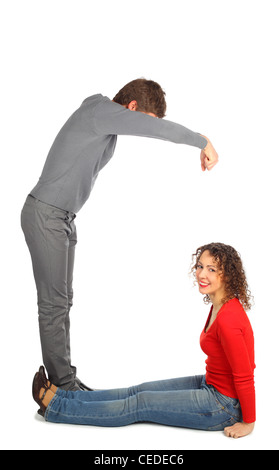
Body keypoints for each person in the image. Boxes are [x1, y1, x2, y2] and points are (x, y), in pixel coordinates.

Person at [21, 79, 219, 391]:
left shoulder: (104, 121)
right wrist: (202, 141)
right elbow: (159, 131)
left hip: (62, 217)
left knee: (63, 302)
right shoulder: (100, 111)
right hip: (46, 215)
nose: (145, 128)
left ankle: (65, 380)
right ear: (132, 108)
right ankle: (61, 386)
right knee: (53, 304)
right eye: (144, 120)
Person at [32, 243, 255, 439]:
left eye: (211, 269)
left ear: (227, 275)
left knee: (141, 403)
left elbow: (245, 375)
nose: (201, 274)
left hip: (223, 406)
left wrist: (248, 422)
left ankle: (56, 407)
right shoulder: (221, 304)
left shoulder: (229, 319)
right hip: (211, 384)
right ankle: (62, 396)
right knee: (138, 391)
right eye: (199, 266)